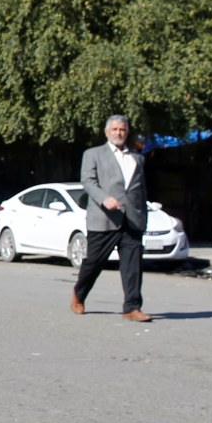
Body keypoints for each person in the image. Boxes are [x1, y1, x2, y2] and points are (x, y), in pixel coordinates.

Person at [72, 115, 152, 321]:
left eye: (122, 130)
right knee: (94, 262)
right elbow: (88, 181)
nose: (119, 133)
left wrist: (143, 217)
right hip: (104, 218)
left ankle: (132, 307)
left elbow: (140, 190)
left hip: (132, 220)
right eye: (114, 129)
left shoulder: (137, 157)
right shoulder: (93, 154)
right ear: (106, 132)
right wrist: (103, 198)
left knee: (133, 265)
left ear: (127, 132)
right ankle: (79, 295)